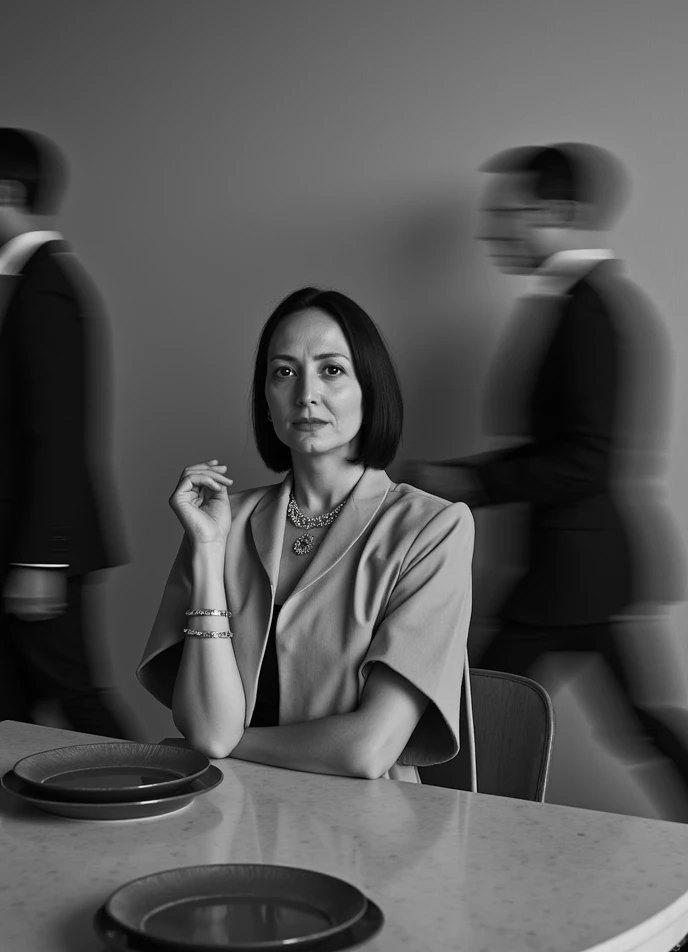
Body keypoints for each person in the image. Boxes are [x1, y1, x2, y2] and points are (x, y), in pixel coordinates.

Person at [401, 142, 688, 952]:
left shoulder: (591, 311)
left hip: (576, 570)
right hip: (576, 569)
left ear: (555, 213)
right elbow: (567, 450)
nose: (495, 228)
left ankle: (438, 886)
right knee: (621, 723)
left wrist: (470, 478)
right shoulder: (578, 302)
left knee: (469, 712)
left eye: (508, 211)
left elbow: (585, 462)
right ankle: (451, 881)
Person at [137, 287, 474, 781]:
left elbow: (367, 750)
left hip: (361, 832)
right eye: (284, 371)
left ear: (369, 389)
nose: (306, 394)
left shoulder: (433, 528)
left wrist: (231, 746)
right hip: (232, 814)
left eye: (331, 370)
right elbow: (208, 731)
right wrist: (208, 553)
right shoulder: (221, 521)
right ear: (266, 399)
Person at [0, 127, 130, 737]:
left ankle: (155, 807)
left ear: (6, 191)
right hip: (20, 541)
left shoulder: (46, 288)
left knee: (73, 696)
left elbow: (58, 433)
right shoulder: (26, 283)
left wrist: (38, 560)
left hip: (40, 548)